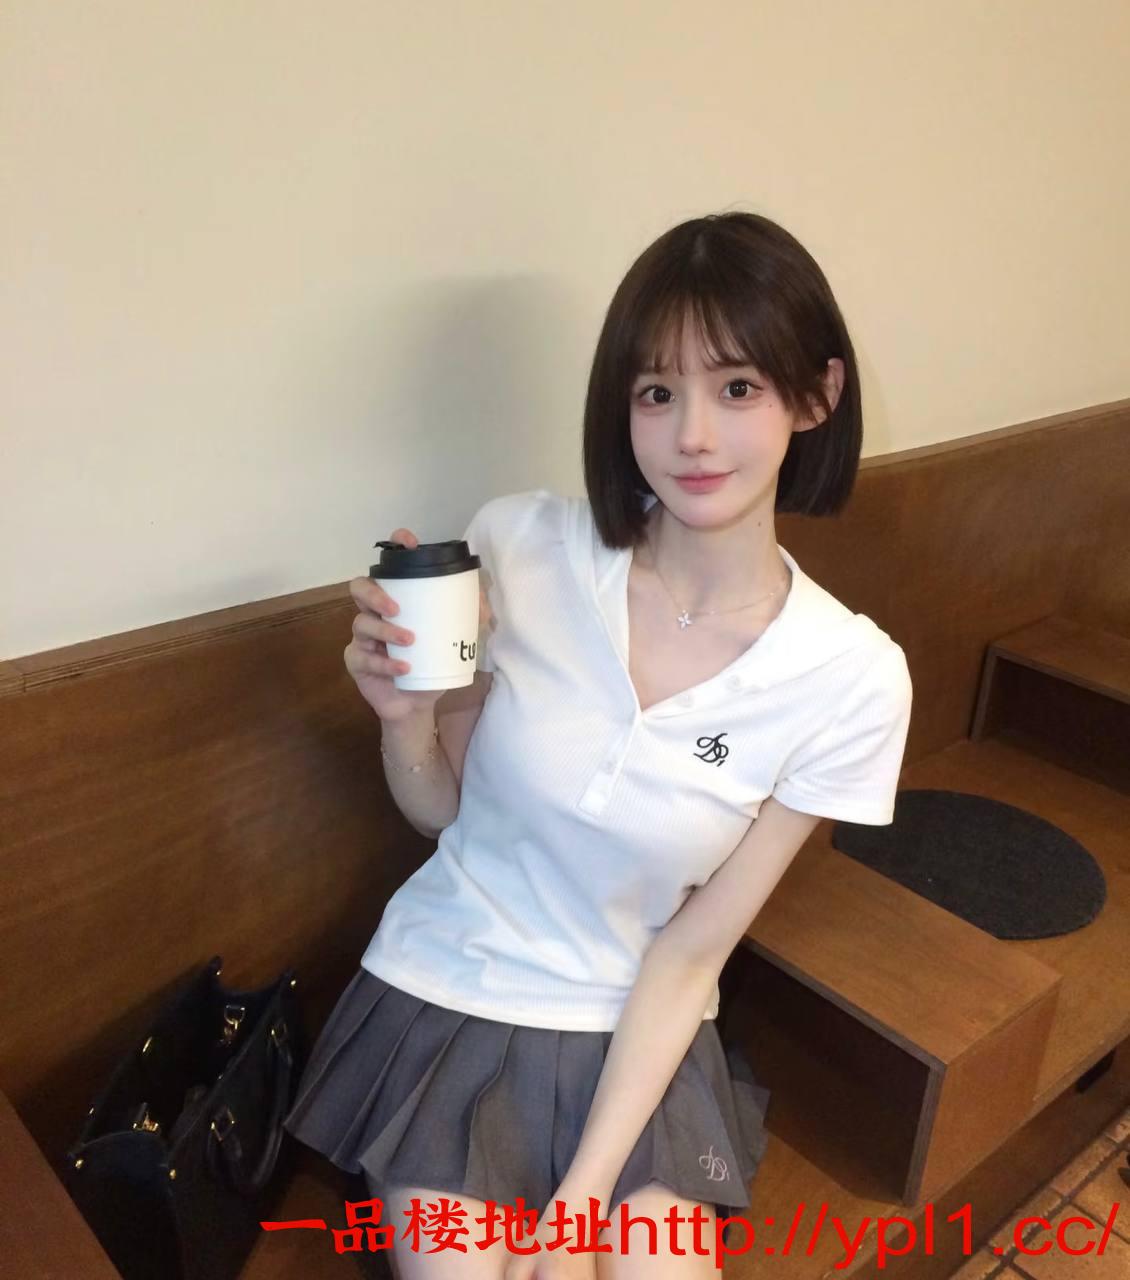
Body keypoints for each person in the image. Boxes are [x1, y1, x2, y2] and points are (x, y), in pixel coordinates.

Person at [282, 211, 914, 1280]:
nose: (692, 436)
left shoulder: (850, 677)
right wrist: (404, 719)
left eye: (737, 387)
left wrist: (580, 1204)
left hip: (639, 1021)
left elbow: (693, 950)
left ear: (816, 395)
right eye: (656, 393)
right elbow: (447, 812)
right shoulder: (522, 544)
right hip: (456, 984)